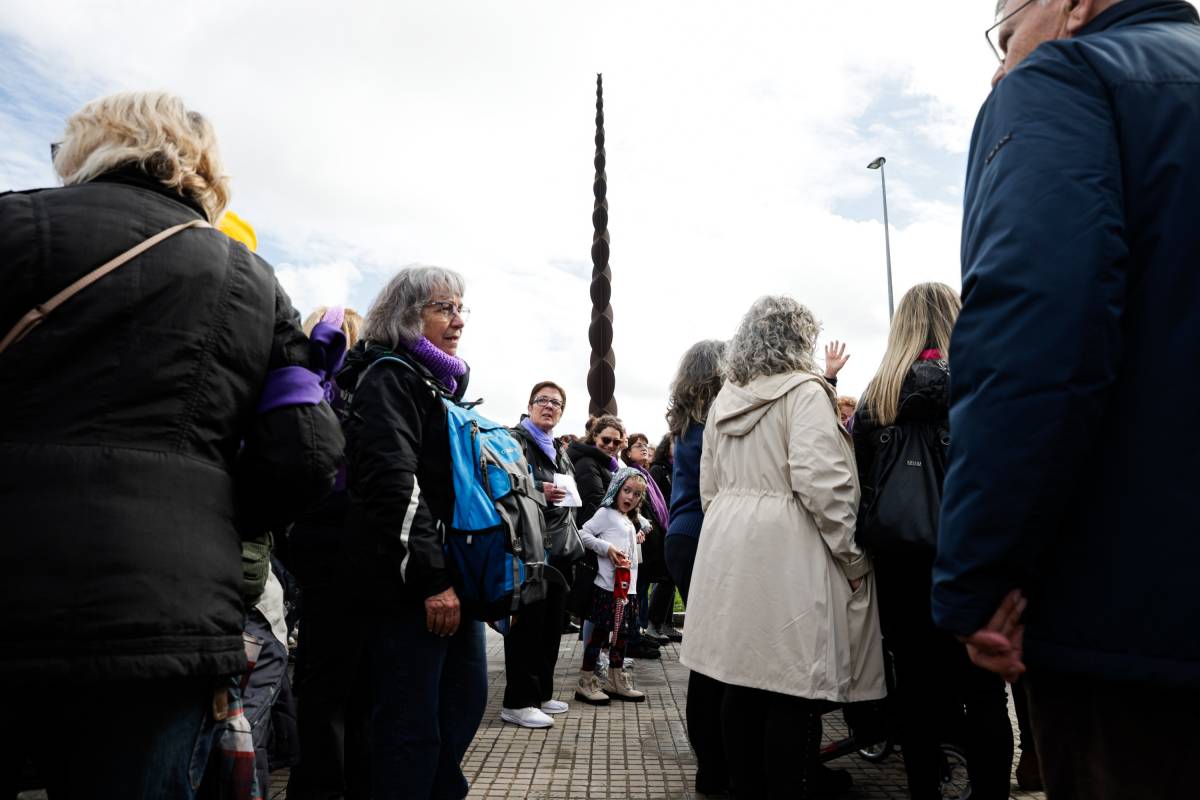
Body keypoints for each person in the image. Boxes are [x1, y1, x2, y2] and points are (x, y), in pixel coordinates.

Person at [0, 91, 343, 798]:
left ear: (87, 146)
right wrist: (210, 517)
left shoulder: (13, 223)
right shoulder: (251, 280)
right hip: (163, 612)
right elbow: (307, 450)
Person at [933, 1, 1200, 797]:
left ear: (1072, 4)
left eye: (1004, 31)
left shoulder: (1069, 79)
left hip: (1136, 625)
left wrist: (976, 582)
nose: (998, 62)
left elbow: (1036, 332)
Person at [680, 297, 885, 800]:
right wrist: (852, 555)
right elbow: (823, 484)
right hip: (790, 545)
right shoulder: (806, 392)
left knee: (739, 678)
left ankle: (743, 788)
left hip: (728, 541)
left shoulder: (725, 398)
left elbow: (710, 486)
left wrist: (731, 525)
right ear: (801, 340)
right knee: (792, 685)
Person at [853, 283, 1013, 800]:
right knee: (985, 690)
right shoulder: (983, 383)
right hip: (974, 557)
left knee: (916, 689)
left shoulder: (877, 397)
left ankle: (926, 789)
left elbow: (857, 484)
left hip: (900, 564)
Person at [340, 266, 486, 800]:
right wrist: (431, 580)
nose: (458, 320)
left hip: (448, 577)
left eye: (461, 308)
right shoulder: (389, 376)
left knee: (463, 704)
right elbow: (394, 486)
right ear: (406, 314)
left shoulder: (434, 383)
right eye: (444, 308)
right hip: (410, 587)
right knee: (410, 724)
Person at [286, 305, 371, 800]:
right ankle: (322, 785)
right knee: (333, 681)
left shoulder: (337, 386)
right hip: (328, 540)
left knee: (339, 679)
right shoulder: (316, 384)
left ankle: (333, 783)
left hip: (334, 539)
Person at [662, 339, 728, 795]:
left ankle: (711, 764)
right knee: (720, 662)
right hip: (705, 533)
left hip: (682, 535)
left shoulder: (687, 424)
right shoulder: (715, 424)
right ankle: (717, 766)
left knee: (705, 659)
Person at [500, 381, 579, 729]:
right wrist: (536, 490)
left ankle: (542, 693)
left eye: (556, 403)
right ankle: (518, 701)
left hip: (557, 546)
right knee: (527, 626)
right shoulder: (515, 440)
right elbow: (501, 482)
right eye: (542, 401)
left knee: (550, 625)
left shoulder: (559, 449)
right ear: (530, 405)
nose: (549, 406)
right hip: (529, 547)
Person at [575, 468, 651, 704]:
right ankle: (586, 682)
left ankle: (615, 679)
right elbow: (582, 533)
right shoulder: (606, 513)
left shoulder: (626, 519)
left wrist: (635, 537)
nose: (630, 497)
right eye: (626, 491)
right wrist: (606, 548)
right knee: (599, 634)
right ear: (616, 489)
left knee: (622, 636)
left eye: (637, 494)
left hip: (629, 589)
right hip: (607, 587)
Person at [621, 433, 671, 643]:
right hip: (641, 538)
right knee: (638, 588)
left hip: (651, 537)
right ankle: (636, 633)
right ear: (628, 452)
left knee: (642, 586)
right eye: (638, 445)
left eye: (645, 445)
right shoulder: (631, 474)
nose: (643, 448)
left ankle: (639, 631)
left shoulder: (646, 474)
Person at [645, 434, 682, 642]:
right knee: (665, 578)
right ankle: (653, 623)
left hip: (674, 523)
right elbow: (654, 500)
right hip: (663, 527)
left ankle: (666, 624)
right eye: (673, 444)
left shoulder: (676, 468)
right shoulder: (658, 470)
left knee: (672, 578)